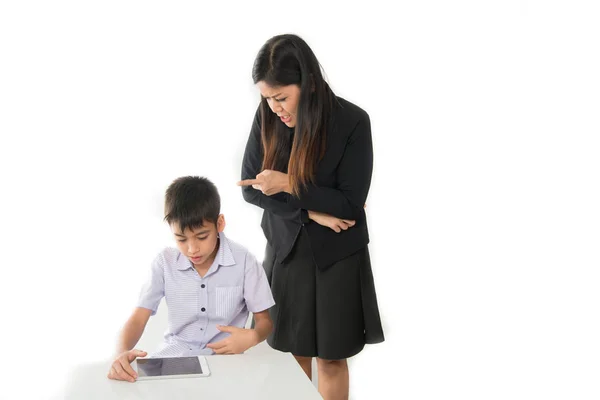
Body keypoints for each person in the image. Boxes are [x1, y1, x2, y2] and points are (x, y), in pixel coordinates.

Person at [239, 34, 384, 400]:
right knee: (292, 356)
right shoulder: (266, 117)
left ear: (309, 83)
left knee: (332, 359)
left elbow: (350, 206)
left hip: (337, 257)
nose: (275, 108)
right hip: (287, 250)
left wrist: (289, 183)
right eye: (267, 99)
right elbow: (251, 188)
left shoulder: (352, 122)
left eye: (281, 97)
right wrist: (311, 212)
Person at [107, 176, 275, 383]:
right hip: (173, 359)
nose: (192, 249)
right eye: (181, 239)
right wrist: (121, 354)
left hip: (225, 362)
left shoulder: (245, 262)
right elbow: (138, 317)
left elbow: (265, 321)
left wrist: (254, 336)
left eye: (202, 237)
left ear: (220, 223)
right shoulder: (164, 262)